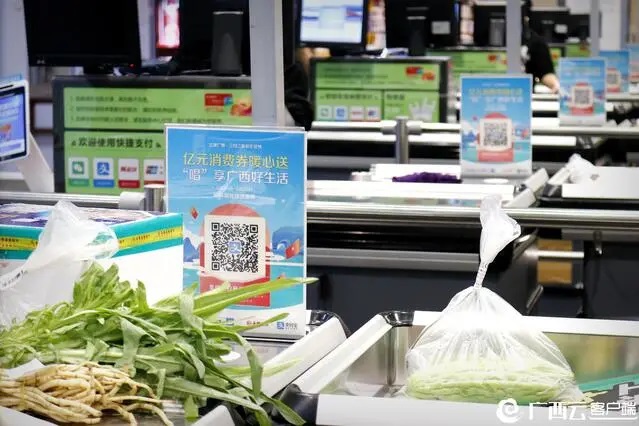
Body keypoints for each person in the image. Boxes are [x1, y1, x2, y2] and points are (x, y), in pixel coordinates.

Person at [521, 0, 560, 93]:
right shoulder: (484, 40)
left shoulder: (535, 42)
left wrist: (555, 84)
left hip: (522, 97)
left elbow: (545, 72)